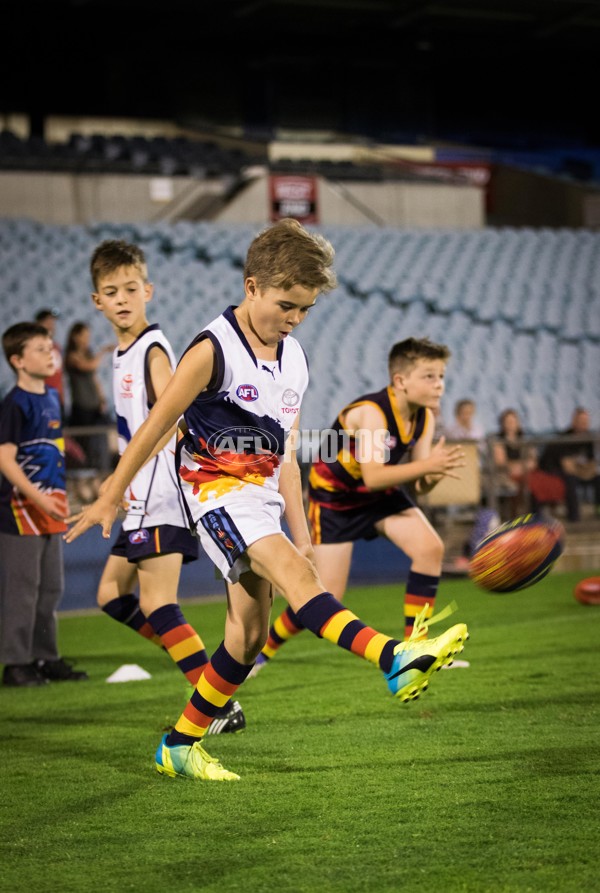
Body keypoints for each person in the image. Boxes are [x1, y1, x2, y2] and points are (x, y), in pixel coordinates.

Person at [65, 218, 469, 782]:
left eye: (304, 309)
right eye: (286, 304)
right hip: (214, 496)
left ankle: (179, 744)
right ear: (251, 286)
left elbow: (286, 456)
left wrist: (301, 534)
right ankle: (393, 657)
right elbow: (158, 423)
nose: (295, 318)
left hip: (262, 500)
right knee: (301, 584)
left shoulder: (296, 358)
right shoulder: (211, 349)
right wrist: (110, 494)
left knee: (248, 635)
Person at [85, 238, 245, 734]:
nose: (122, 298)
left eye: (131, 287)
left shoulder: (153, 349)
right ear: (97, 301)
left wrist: (117, 480)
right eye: (111, 291)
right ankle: (204, 672)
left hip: (156, 493)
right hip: (136, 498)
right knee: (111, 595)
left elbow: (170, 420)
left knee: (158, 603)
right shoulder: (120, 352)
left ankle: (216, 702)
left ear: (148, 290)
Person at [252, 336, 470, 673]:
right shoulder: (372, 413)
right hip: (335, 499)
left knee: (430, 549)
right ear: (400, 380)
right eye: (429, 376)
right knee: (325, 596)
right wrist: (427, 466)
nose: (439, 385)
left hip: (377, 495)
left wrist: (436, 470)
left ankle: (418, 649)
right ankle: (263, 650)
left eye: (441, 376)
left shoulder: (424, 417)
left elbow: (420, 484)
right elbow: (373, 475)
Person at [0, 322, 88, 686]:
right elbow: (5, 459)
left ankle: (44, 656)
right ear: (18, 360)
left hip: (50, 509)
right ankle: (16, 663)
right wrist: (39, 499)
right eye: (39, 348)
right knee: (22, 589)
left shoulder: (51, 398)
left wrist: (57, 499)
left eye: (49, 345)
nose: (49, 351)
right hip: (21, 512)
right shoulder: (14, 403)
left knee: (50, 586)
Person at [64, 320, 113, 482]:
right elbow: (89, 367)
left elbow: (94, 378)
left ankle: (99, 469)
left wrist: (101, 398)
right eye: (84, 336)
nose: (87, 339)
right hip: (81, 406)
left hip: (93, 405)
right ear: (75, 336)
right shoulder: (71, 356)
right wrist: (103, 351)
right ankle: (82, 474)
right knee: (82, 442)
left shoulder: (88, 353)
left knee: (98, 440)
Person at [537, 407, 600, 521]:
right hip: (553, 470)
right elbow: (567, 467)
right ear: (574, 422)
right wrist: (583, 469)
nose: (583, 424)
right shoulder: (565, 438)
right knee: (570, 480)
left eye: (586, 422)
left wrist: (585, 470)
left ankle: (598, 511)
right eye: (581, 421)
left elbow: (591, 463)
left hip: (578, 471)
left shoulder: (588, 438)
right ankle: (574, 518)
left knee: (597, 478)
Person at [492, 408, 537, 519]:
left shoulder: (525, 440)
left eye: (513, 421)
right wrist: (520, 466)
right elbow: (501, 463)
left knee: (538, 483)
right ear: (502, 424)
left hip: (526, 473)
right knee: (520, 484)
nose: (511, 425)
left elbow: (533, 461)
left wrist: (522, 467)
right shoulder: (498, 441)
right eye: (508, 422)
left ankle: (537, 516)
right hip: (507, 475)